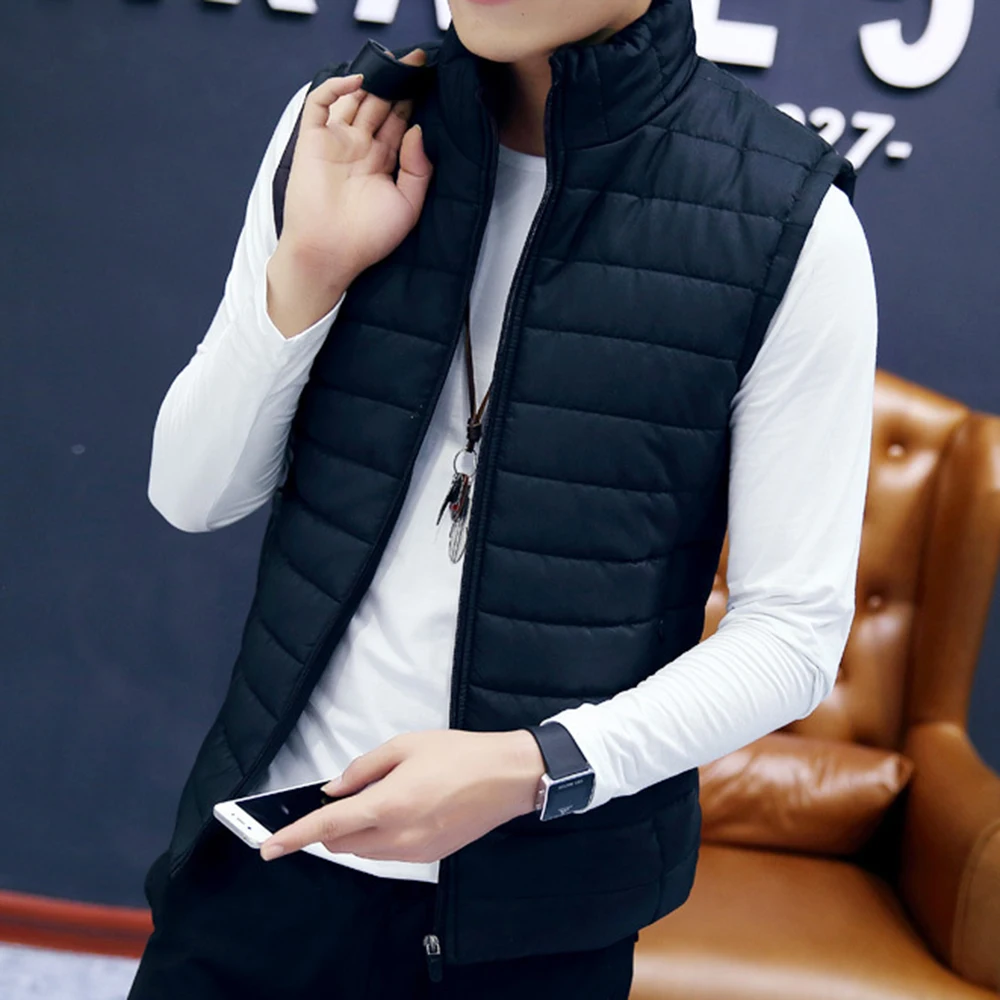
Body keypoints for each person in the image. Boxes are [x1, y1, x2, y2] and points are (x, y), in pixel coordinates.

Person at [128, 0, 878, 996]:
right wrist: (308, 267)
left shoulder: (790, 221)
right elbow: (192, 492)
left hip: (534, 922)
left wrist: (534, 766)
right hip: (261, 865)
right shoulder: (350, 126)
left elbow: (792, 635)